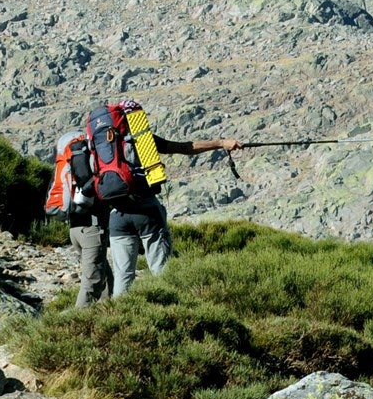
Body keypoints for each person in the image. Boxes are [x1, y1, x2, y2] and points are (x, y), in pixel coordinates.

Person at [58, 104, 240, 306]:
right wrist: (221, 143)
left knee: (123, 278)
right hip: (148, 213)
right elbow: (184, 147)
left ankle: (120, 323)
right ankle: (170, 314)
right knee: (161, 272)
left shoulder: (95, 149)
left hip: (118, 216)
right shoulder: (141, 140)